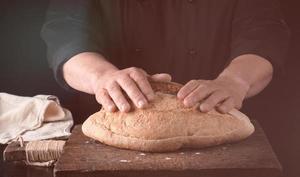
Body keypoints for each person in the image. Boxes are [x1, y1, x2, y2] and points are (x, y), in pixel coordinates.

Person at [41, 0, 290, 114]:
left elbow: (264, 32)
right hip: (115, 123)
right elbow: (65, 32)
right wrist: (102, 77)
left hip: (217, 119)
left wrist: (235, 81)